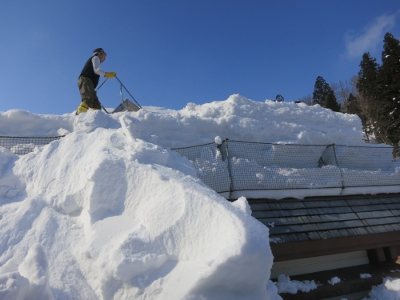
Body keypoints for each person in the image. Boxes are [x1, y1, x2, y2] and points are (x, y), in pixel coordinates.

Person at [76, 48, 116, 115]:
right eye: (104, 55)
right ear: (100, 53)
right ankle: (79, 115)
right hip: (86, 80)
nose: (105, 58)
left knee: (96, 104)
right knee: (88, 99)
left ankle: (95, 117)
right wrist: (107, 74)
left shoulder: (95, 59)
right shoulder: (96, 58)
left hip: (89, 82)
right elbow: (97, 70)